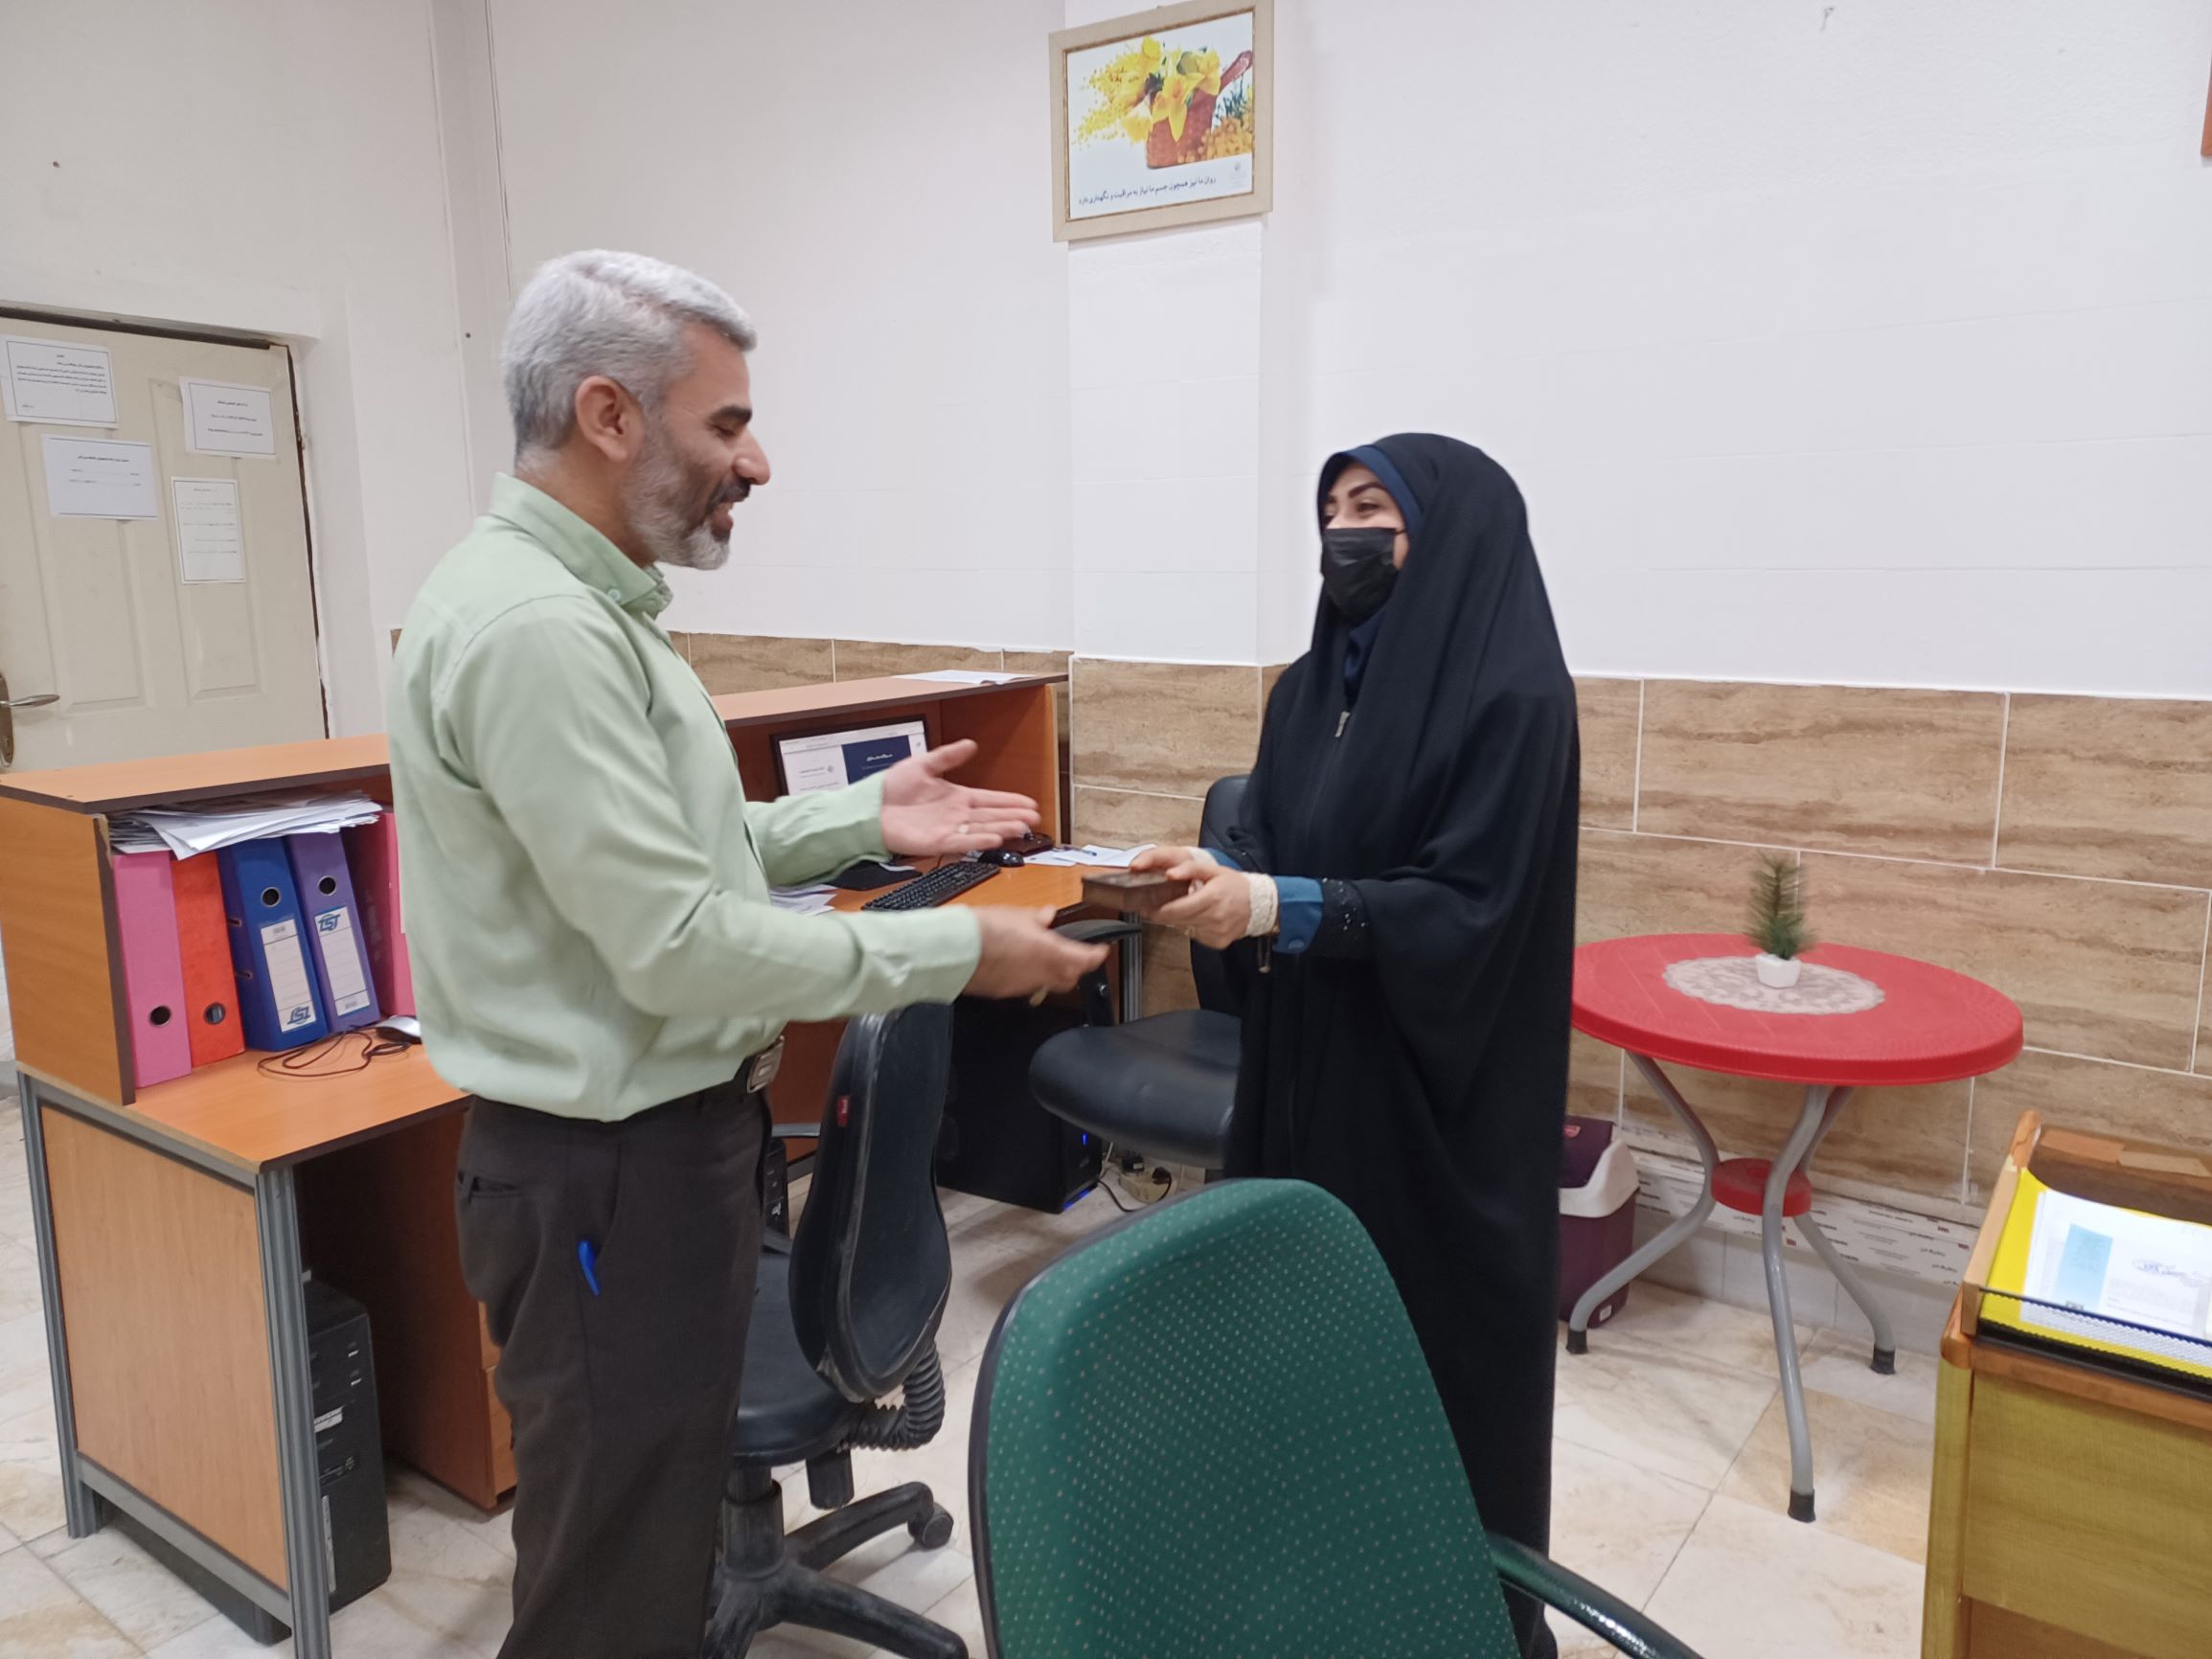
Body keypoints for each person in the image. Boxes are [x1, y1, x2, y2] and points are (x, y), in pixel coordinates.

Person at [385, 249, 1105, 1659]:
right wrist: (949, 952)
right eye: (725, 424)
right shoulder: (540, 631)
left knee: (646, 1541)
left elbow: (677, 855)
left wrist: (860, 819)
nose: (755, 461)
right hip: (605, 1174)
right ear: (607, 414)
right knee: (609, 1582)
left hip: (652, 1156)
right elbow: (672, 945)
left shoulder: (592, 606)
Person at [1135, 435, 1579, 1658]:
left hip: (1433, 1105)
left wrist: (1276, 904)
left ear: (1451, 534)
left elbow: (1470, 908)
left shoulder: (1512, 702)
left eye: (1371, 504)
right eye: (1329, 507)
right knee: (1293, 1347)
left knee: (1428, 1368)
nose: (1344, 531)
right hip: (1305, 1079)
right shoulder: (1301, 692)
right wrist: (1211, 875)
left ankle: (1455, 1619)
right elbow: (1273, 847)